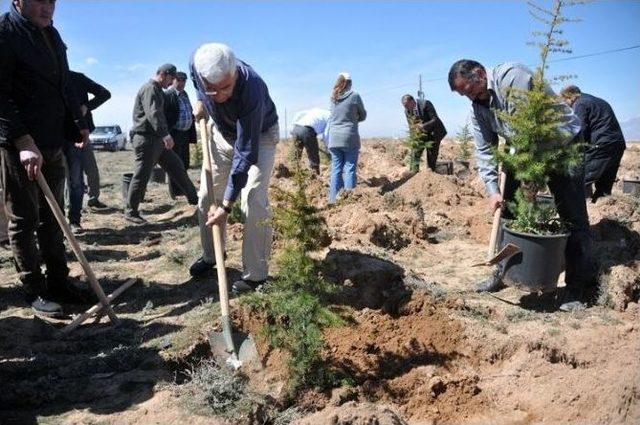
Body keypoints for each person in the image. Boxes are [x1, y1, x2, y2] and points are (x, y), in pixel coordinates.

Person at [448, 59, 597, 311]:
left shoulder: (513, 78)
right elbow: (485, 150)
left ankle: (578, 287)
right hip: (524, 150)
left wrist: (529, 181)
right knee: (508, 208)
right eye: (464, 95)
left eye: (470, 90)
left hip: (563, 145)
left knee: (572, 215)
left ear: (480, 74)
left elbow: (527, 131)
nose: (469, 97)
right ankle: (502, 271)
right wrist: (494, 192)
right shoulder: (477, 108)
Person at [0, 0, 92, 317]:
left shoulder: (50, 35)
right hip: (19, 146)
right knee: (24, 219)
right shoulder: (4, 32)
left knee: (54, 216)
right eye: (39, 1)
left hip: (53, 140)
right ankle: (34, 291)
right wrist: (23, 140)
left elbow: (64, 84)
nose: (47, 7)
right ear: (17, 1)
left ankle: (59, 282)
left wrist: (77, 125)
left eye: (52, 1)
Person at [189, 43, 279, 294]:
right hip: (221, 134)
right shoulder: (197, 65)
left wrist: (227, 205)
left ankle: (255, 275)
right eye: (211, 90)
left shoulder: (253, 88)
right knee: (207, 196)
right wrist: (200, 99)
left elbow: (246, 152)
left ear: (235, 73)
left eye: (226, 87)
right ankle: (212, 256)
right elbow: (199, 87)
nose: (219, 95)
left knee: (253, 199)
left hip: (258, 136)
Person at [125, 63, 198, 224]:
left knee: (177, 166)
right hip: (146, 140)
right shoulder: (150, 88)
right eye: (171, 79)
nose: (171, 83)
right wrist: (166, 134)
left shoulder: (158, 90)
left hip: (156, 140)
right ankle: (131, 212)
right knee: (142, 175)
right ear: (163, 74)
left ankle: (196, 200)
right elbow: (154, 114)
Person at [560, 85, 627, 202]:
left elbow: (579, 130)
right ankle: (604, 212)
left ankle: (580, 211)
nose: (567, 106)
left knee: (581, 179)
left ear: (570, 97)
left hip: (601, 146)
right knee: (604, 186)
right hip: (617, 144)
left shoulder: (580, 104)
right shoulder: (599, 101)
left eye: (565, 102)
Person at [66, 70, 111, 234]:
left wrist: (87, 106)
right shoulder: (44, 75)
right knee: (62, 180)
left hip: (78, 134)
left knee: (78, 180)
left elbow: (105, 93)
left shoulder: (77, 78)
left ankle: (74, 220)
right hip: (54, 136)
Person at [327, 72, 366, 204]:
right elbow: (363, 115)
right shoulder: (354, 96)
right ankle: (349, 202)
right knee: (349, 168)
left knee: (336, 169)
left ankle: (332, 200)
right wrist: (354, 119)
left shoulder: (332, 97)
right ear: (349, 83)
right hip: (349, 136)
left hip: (333, 138)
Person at [164, 71, 197, 199]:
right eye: (179, 80)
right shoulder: (168, 95)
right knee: (174, 164)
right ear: (173, 80)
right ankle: (174, 192)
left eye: (184, 81)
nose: (182, 83)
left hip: (184, 134)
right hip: (174, 134)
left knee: (184, 163)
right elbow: (164, 116)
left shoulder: (185, 94)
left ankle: (181, 189)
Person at [401, 94, 447, 172]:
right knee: (415, 154)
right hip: (420, 135)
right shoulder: (407, 111)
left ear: (412, 101)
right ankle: (413, 175)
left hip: (434, 133)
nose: (406, 108)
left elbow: (435, 119)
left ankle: (430, 176)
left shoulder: (426, 104)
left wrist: (423, 126)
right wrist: (413, 139)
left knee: (431, 158)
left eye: (406, 105)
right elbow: (411, 126)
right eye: (404, 106)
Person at [290, 108, 331, 174]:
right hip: (307, 131)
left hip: (296, 128)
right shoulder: (331, 117)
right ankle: (315, 179)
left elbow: (299, 114)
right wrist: (328, 150)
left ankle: (293, 175)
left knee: (295, 157)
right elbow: (326, 135)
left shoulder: (317, 111)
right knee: (313, 158)